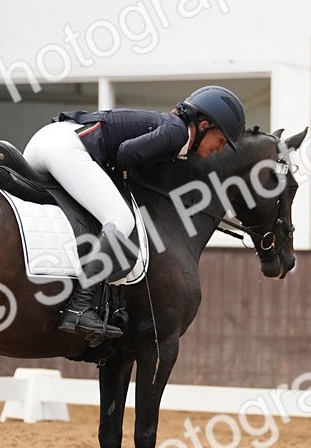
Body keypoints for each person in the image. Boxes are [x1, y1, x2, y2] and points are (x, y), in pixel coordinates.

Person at [23, 86, 246, 340]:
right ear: (204, 125)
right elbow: (126, 154)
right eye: (221, 140)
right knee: (120, 219)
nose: (219, 149)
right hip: (66, 146)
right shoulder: (176, 132)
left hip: (46, 141)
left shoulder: (173, 132)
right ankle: (79, 305)